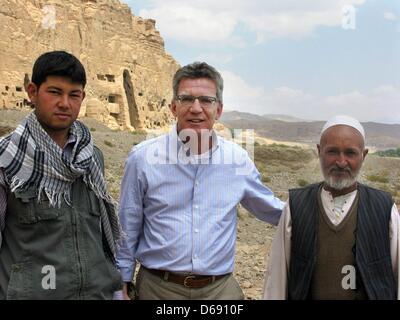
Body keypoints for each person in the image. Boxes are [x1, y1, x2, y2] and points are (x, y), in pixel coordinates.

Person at [116, 62, 284, 300]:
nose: (196, 108)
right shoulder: (143, 158)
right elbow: (127, 225)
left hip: (219, 291)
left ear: (219, 109)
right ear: (174, 107)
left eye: (206, 100)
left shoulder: (237, 160)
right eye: (187, 99)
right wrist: (121, 282)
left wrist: (315, 209)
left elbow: (271, 209)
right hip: (158, 290)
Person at [0, 51, 122, 299]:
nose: (65, 103)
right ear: (32, 92)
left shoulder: (91, 157)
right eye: (54, 92)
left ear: (82, 98)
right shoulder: (7, 158)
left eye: (73, 95)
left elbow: (100, 234)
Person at [263, 115, 399, 300]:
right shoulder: (296, 205)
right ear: (319, 151)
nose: (341, 162)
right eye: (332, 152)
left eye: (350, 153)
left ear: (363, 155)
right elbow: (277, 279)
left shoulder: (383, 208)